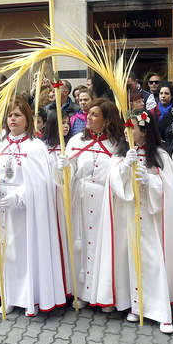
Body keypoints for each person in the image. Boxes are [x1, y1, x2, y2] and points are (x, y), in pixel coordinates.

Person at [0, 96, 66, 316]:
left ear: (27, 118)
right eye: (10, 115)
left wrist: (20, 196)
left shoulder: (36, 147)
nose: (12, 119)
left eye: (17, 115)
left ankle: (27, 297)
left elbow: (42, 182)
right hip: (0, 207)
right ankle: (7, 295)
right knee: (4, 254)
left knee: (22, 254)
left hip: (24, 212)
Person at [93, 109, 173, 334]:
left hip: (150, 218)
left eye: (130, 127)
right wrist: (123, 167)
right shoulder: (121, 154)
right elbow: (112, 182)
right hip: (127, 213)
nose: (126, 131)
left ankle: (160, 310)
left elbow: (170, 189)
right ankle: (135, 304)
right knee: (129, 259)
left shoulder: (160, 155)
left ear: (143, 129)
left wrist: (150, 181)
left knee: (151, 260)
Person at [56, 98, 121, 310]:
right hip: (81, 200)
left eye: (95, 115)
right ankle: (81, 292)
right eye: (89, 114)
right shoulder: (76, 141)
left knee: (103, 245)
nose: (89, 118)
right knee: (81, 243)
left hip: (105, 201)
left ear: (107, 120)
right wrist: (64, 167)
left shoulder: (117, 144)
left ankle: (103, 293)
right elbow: (69, 174)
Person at [43, 109, 72, 297]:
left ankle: (68, 285)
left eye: (68, 122)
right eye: (62, 122)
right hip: (49, 201)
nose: (66, 126)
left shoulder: (69, 146)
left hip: (64, 200)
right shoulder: (43, 148)